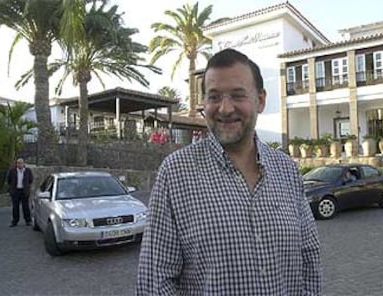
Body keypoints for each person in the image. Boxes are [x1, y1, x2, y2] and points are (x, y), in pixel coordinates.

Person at [136, 48, 322, 295]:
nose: (224, 108)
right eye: (214, 97)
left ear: (261, 100)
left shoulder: (286, 169)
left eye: (238, 95)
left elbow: (309, 259)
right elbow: (155, 282)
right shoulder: (175, 173)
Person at [6, 158, 33, 227]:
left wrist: (26, 187)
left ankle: (28, 221)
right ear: (16, 164)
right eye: (18, 163)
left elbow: (30, 180)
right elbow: (8, 180)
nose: (19, 164)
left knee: (26, 206)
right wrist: (12, 189)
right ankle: (15, 221)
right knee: (15, 207)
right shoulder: (12, 171)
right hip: (15, 191)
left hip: (24, 191)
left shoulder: (28, 171)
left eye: (21, 163)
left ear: (24, 164)